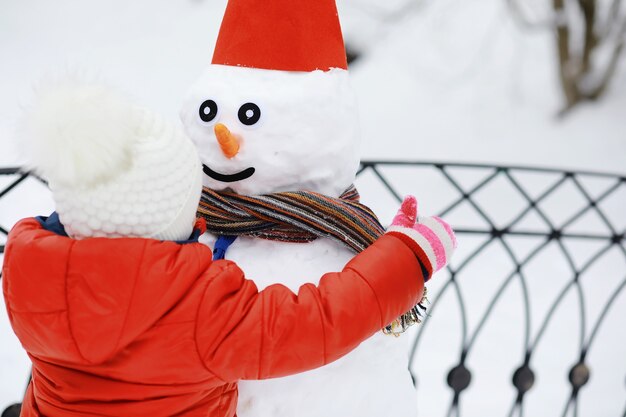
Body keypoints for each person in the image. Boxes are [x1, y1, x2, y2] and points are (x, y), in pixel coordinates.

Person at [2, 82, 455, 417]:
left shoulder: (27, 275)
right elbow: (316, 322)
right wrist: (406, 256)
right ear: (166, 218)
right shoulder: (197, 308)